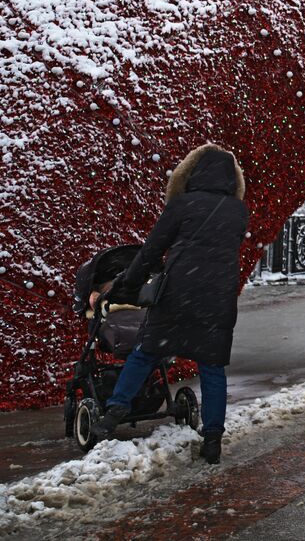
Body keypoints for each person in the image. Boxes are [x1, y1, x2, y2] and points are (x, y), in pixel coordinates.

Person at [92, 144, 248, 464]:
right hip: (217, 299)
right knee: (212, 367)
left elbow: (151, 250)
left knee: (146, 353)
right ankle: (213, 439)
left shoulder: (182, 204)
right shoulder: (238, 211)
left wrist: (126, 287)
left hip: (178, 293)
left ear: (193, 173)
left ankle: (112, 415)